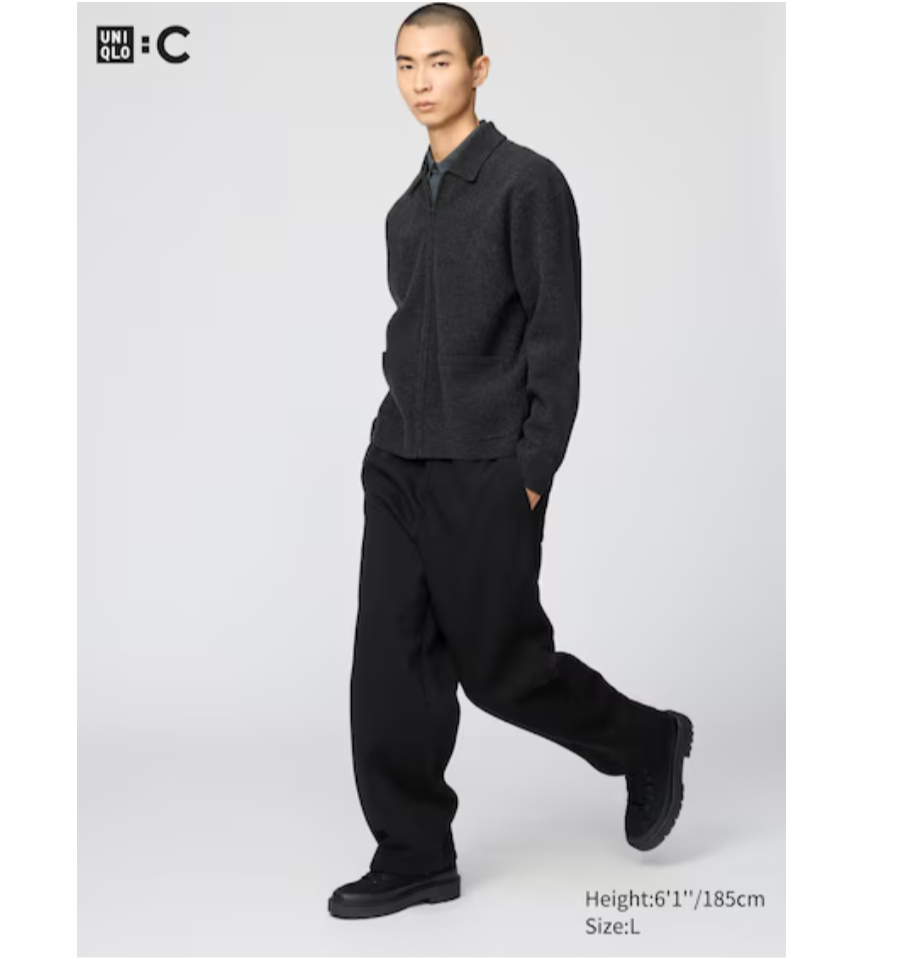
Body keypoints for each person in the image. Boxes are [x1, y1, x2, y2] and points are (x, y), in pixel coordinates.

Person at [328, 3, 693, 921]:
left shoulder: (527, 184)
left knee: (501, 670)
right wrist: (387, 440)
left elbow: (555, 336)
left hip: (487, 463)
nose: (420, 81)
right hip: (399, 463)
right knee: (387, 668)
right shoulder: (403, 212)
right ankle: (413, 855)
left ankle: (646, 740)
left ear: (478, 71)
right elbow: (408, 333)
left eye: (438, 61)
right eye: (405, 64)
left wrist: (533, 467)